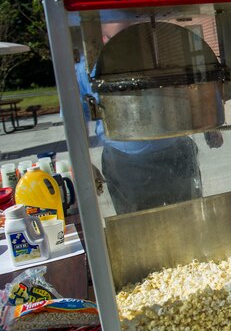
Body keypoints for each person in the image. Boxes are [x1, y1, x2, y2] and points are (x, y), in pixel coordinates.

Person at [73, 48, 222, 215]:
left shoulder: (162, 47)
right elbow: (75, 115)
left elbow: (196, 82)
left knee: (189, 216)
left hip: (176, 154)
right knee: (138, 226)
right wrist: (83, 163)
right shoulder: (86, 67)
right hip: (125, 165)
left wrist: (211, 126)